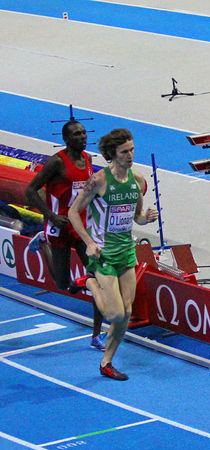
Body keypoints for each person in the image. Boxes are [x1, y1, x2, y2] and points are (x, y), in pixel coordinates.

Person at [69, 128, 157, 381]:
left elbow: (136, 215)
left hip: (126, 252)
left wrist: (146, 218)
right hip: (103, 253)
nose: (130, 156)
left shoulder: (138, 181)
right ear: (112, 154)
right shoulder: (98, 181)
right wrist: (87, 242)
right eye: (124, 152)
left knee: (127, 313)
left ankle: (106, 362)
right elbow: (74, 212)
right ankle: (88, 281)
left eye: (132, 150)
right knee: (115, 314)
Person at [25, 120, 106, 350]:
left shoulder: (89, 159)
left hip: (81, 228)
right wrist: (50, 215)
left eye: (83, 133)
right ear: (66, 139)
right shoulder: (56, 163)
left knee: (98, 278)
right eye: (76, 134)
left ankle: (96, 335)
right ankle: (43, 243)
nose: (82, 137)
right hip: (59, 224)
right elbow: (30, 191)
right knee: (63, 284)